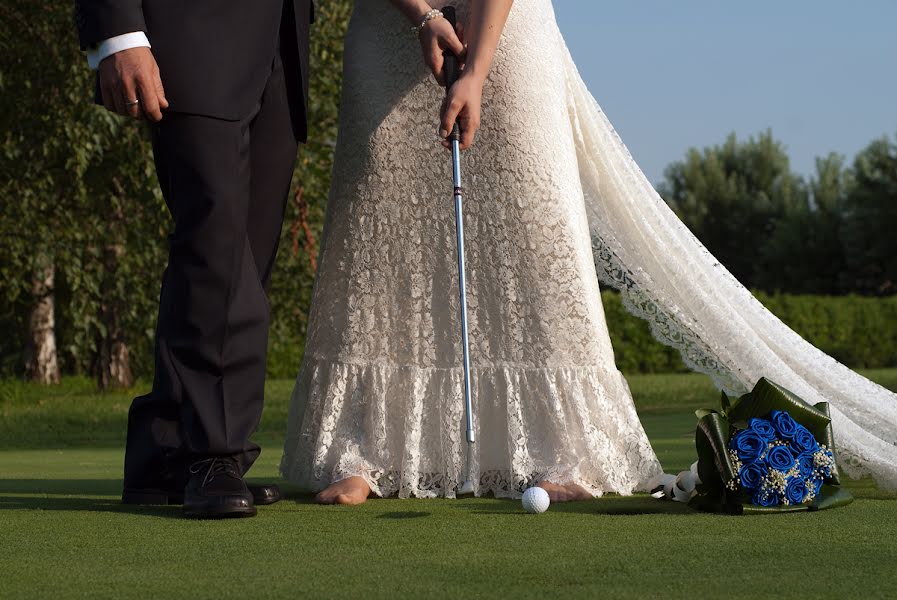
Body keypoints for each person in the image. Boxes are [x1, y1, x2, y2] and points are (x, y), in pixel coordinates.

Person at [281, 0, 897, 505]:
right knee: (380, 228)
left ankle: (561, 450)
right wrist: (419, 14)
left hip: (506, 24)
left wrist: (478, 68)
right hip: (389, 27)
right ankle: (365, 448)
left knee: (535, 231)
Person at [75, 0, 314, 518]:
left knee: (244, 257)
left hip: (280, 42)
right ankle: (213, 452)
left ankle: (165, 450)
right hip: (189, 32)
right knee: (215, 244)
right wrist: (119, 34)